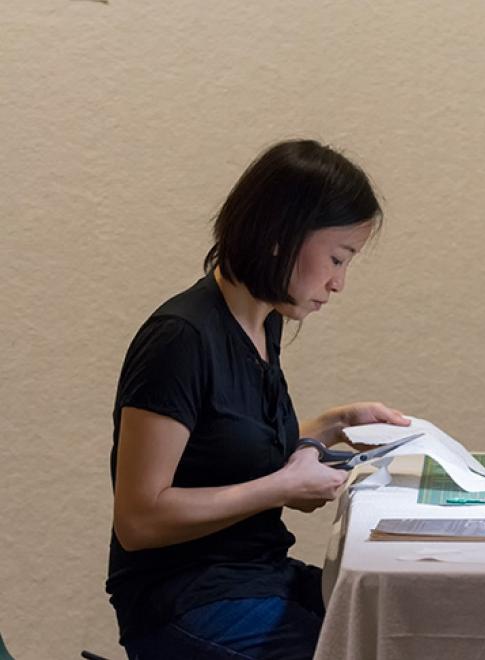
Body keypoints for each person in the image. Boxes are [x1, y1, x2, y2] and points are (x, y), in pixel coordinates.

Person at [106, 139, 409, 659]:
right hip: (186, 600)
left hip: (257, 575)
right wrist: (280, 487)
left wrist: (331, 424)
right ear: (280, 236)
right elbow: (139, 519)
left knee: (404, 620)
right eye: (337, 258)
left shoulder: (261, 324)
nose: (339, 283)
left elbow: (226, 449)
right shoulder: (180, 339)